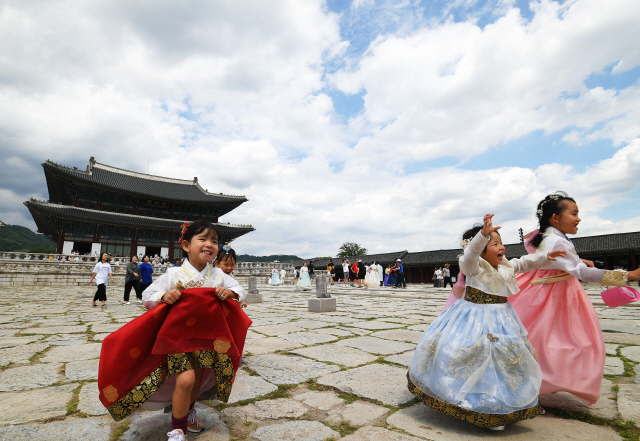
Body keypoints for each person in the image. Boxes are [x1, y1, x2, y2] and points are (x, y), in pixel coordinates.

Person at [408, 214, 567, 430]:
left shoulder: (506, 266)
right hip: (473, 317)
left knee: (506, 358)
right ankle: (476, 404)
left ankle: (501, 403)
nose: (501, 247)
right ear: (481, 249)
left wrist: (546, 257)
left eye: (501, 243)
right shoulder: (474, 267)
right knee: (475, 356)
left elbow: (525, 262)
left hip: (502, 317)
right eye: (495, 244)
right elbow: (469, 255)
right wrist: (482, 235)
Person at [99, 220, 250, 441]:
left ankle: (188, 412)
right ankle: (178, 429)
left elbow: (240, 290)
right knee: (185, 380)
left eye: (214, 241)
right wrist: (164, 296)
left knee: (196, 382)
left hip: (206, 337)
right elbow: (147, 295)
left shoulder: (219, 275)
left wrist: (230, 293)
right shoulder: (173, 274)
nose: (210, 244)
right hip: (177, 337)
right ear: (187, 246)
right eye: (203, 239)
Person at [509, 192, 640, 404]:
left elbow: (561, 261)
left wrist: (577, 259)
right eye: (574, 213)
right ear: (555, 218)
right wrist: (629, 276)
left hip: (550, 292)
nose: (578, 218)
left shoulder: (549, 237)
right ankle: (537, 382)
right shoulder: (555, 241)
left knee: (545, 339)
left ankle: (535, 381)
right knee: (567, 341)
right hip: (551, 296)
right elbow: (583, 273)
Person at [216, 244, 248, 308]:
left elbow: (239, 291)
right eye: (226, 265)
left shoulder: (231, 277)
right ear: (217, 263)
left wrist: (239, 302)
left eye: (232, 264)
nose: (229, 268)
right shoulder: (214, 276)